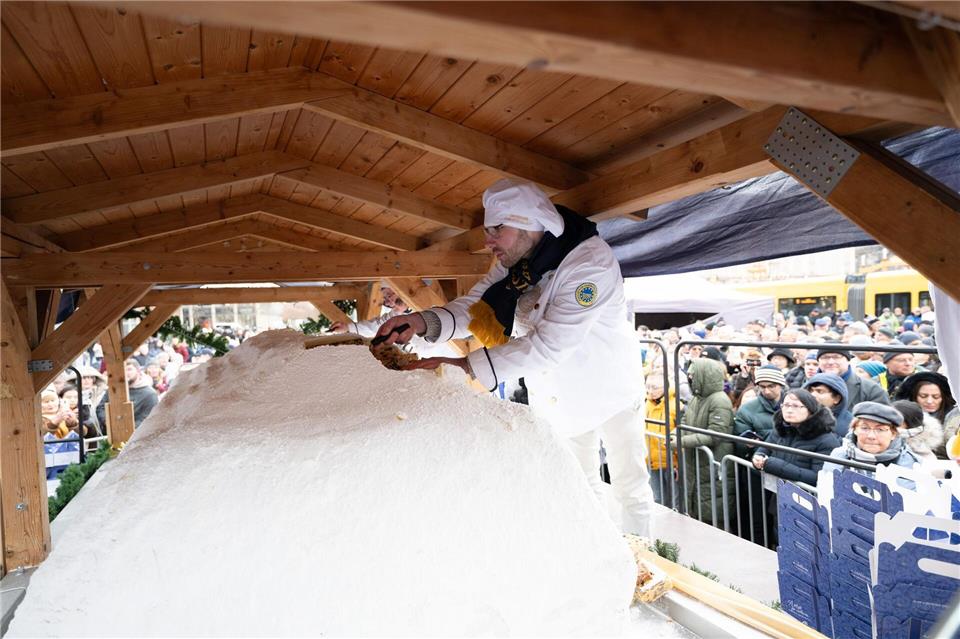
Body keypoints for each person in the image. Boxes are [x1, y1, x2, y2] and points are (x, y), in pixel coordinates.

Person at [374, 179, 653, 537]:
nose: (488, 241)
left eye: (497, 230)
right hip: (560, 395)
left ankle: (646, 567)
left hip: (608, 389)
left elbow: (549, 344)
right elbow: (476, 307)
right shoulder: (518, 262)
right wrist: (420, 321)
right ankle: (598, 554)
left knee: (630, 487)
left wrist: (464, 366)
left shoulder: (589, 264)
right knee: (580, 486)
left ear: (528, 224)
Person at [673, 358, 734, 528]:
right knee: (697, 505)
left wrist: (682, 441)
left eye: (693, 374)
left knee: (712, 508)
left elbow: (716, 434)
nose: (690, 378)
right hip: (697, 462)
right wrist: (674, 434)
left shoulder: (719, 400)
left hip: (712, 464)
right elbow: (684, 421)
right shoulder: (696, 398)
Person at [752, 388, 840, 486]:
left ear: (810, 409)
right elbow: (764, 449)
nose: (789, 410)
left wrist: (774, 465)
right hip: (780, 492)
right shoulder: (781, 429)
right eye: (786, 405)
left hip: (807, 497)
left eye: (796, 406)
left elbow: (818, 477)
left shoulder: (826, 440)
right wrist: (758, 457)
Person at [823, 402, 920, 475]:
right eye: (865, 428)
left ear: (893, 434)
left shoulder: (910, 462)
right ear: (854, 430)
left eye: (880, 430)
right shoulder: (839, 455)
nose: (871, 436)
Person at [895, 371, 957, 458]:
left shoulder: (955, 418)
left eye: (936, 397)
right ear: (913, 396)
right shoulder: (898, 416)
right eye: (923, 396)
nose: (929, 401)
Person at [733, 365, 785, 456]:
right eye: (762, 387)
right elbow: (739, 441)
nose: (767, 391)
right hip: (760, 461)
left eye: (771, 386)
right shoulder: (747, 409)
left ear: (781, 385)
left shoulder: (795, 404)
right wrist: (746, 445)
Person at [815, 346, 889, 406]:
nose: (831, 362)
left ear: (848, 360)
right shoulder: (807, 388)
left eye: (836, 357)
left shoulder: (871, 389)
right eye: (825, 357)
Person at [97, 359, 159, 430]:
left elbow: (147, 419)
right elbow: (101, 408)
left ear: (138, 371)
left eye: (129, 369)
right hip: (112, 433)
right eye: (123, 370)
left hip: (136, 436)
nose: (125, 373)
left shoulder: (150, 394)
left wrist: (124, 428)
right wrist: (108, 421)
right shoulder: (113, 389)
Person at [644, 375, 677, 507]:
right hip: (651, 460)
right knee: (657, 498)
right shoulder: (645, 403)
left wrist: (678, 463)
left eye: (655, 387)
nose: (650, 391)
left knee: (675, 500)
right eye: (647, 387)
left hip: (669, 461)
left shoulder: (676, 406)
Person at [803, 372, 853, 437]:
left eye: (820, 391)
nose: (813, 395)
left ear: (837, 399)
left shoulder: (848, 426)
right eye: (810, 391)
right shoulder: (799, 416)